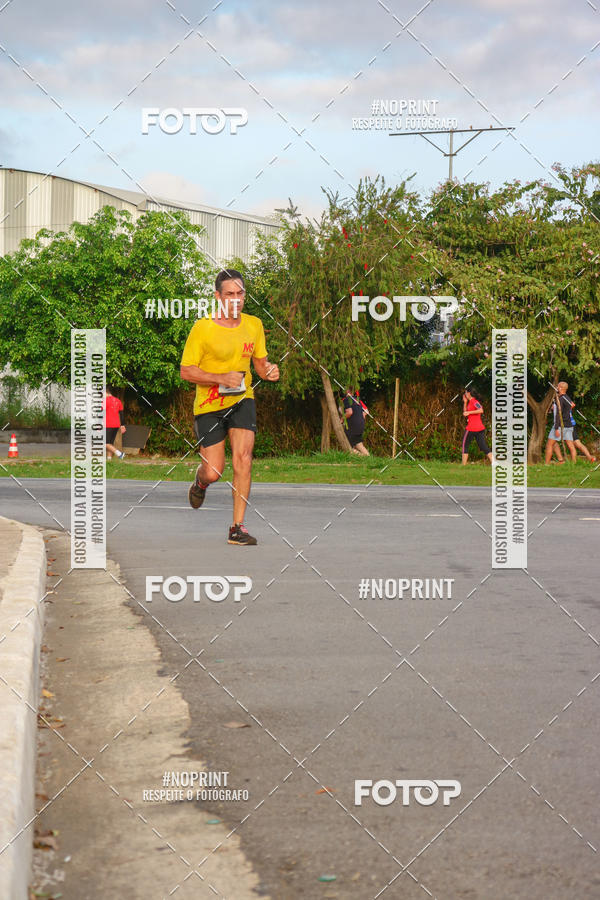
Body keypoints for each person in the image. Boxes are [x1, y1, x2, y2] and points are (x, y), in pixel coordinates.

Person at [180, 269, 280, 546]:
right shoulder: (203, 327)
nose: (235, 300)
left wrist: (268, 371)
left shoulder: (254, 325)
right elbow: (186, 371)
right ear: (218, 296)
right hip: (209, 406)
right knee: (214, 471)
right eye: (229, 295)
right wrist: (220, 378)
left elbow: (259, 364)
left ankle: (237, 527)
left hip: (242, 399)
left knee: (243, 459)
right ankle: (200, 483)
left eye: (240, 294)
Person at [544, 382, 576, 464]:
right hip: (569, 425)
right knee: (570, 446)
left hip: (560, 425)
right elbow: (572, 405)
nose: (556, 387)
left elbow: (559, 414)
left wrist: (556, 428)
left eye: (558, 386)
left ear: (561, 388)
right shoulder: (566, 397)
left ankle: (546, 464)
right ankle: (573, 464)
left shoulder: (561, 399)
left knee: (549, 444)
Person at [461, 388, 493, 465]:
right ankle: (494, 462)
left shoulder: (474, 402)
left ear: (469, 393)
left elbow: (481, 410)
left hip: (471, 428)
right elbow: (465, 413)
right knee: (483, 446)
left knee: (465, 445)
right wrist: (465, 402)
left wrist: (469, 412)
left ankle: (463, 465)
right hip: (480, 429)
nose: (465, 394)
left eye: (465, 393)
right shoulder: (470, 402)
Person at [342, 388, 369, 456]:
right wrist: (359, 418)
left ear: (347, 391)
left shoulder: (346, 400)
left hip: (352, 426)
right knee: (359, 444)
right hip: (360, 425)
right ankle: (368, 457)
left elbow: (349, 412)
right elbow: (366, 412)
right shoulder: (357, 400)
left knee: (347, 447)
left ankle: (363, 457)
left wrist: (342, 419)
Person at [103, 388, 126, 460]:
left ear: (106, 392)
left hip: (108, 424)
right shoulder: (118, 401)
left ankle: (120, 454)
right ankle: (109, 459)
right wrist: (122, 425)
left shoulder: (105, 401)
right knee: (110, 443)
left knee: (105, 443)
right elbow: (121, 414)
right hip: (116, 425)